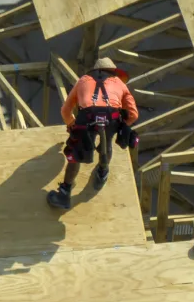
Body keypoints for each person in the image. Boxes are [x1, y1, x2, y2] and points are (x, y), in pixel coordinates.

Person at [46, 57, 138, 210]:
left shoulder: (83, 80)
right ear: (113, 72)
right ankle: (102, 173)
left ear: (95, 71)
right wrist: (122, 126)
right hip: (111, 116)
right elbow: (133, 114)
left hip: (87, 116)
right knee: (107, 143)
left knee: (76, 153)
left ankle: (64, 193)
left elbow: (65, 110)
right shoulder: (120, 83)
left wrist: (72, 124)